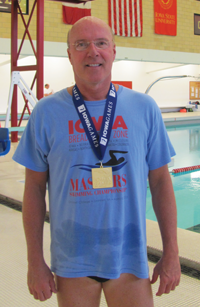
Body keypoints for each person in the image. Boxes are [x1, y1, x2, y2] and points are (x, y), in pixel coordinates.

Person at [13, 16, 181, 307]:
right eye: (81, 44)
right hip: (72, 262)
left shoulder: (144, 108)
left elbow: (161, 182)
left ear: (114, 51)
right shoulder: (46, 113)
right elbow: (34, 190)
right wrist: (35, 261)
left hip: (129, 259)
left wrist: (172, 254)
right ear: (69, 55)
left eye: (101, 43)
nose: (93, 51)